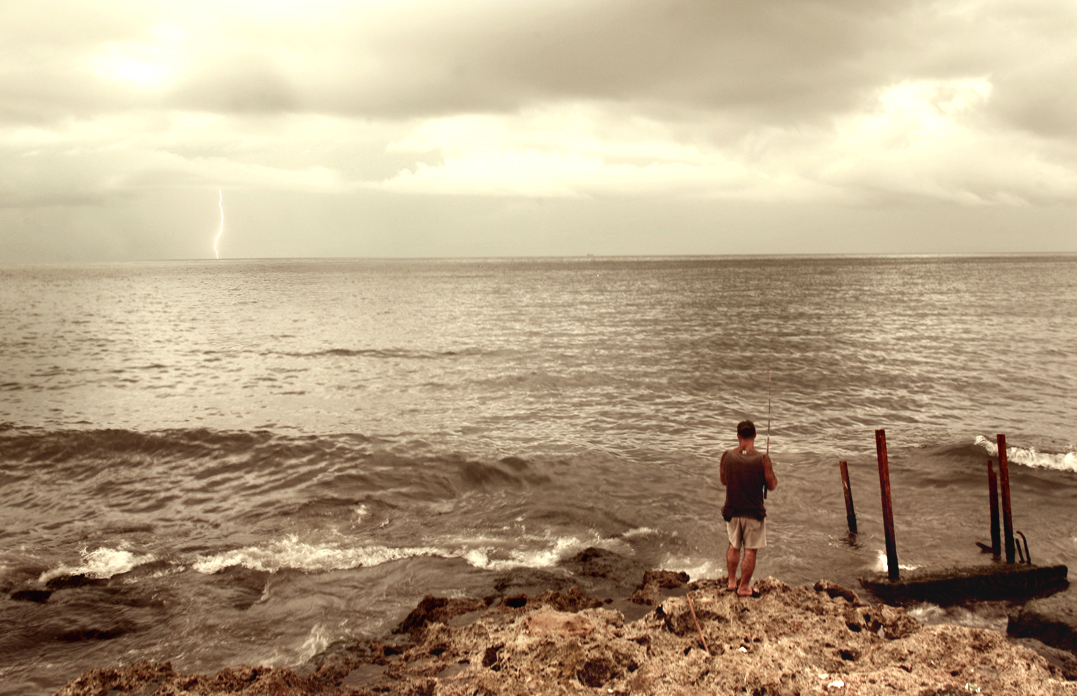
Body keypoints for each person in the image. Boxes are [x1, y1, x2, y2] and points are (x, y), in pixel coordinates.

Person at [720, 420, 777, 597]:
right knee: (750, 550)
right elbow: (772, 485)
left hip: (732, 510)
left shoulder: (727, 456)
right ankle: (744, 587)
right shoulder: (762, 459)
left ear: (738, 436)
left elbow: (723, 481)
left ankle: (731, 582)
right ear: (755, 436)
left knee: (733, 546)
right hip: (753, 512)